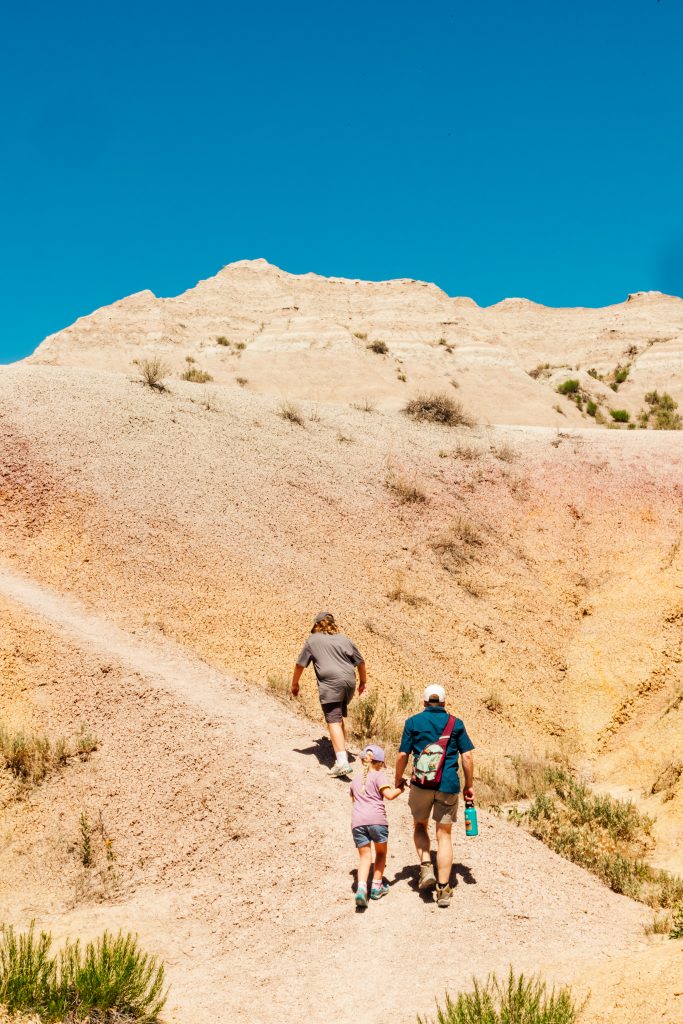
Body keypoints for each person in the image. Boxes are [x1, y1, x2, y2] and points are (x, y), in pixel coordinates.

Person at [394, 683, 474, 908]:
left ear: (424, 703)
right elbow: (467, 758)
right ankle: (443, 889)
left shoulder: (412, 722)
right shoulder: (456, 724)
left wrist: (398, 778)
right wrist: (469, 785)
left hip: (421, 785)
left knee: (420, 826)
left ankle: (426, 864)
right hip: (448, 785)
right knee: (444, 835)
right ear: (444, 703)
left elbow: (402, 754)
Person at [291, 611, 366, 778]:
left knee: (332, 720)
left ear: (317, 625)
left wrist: (295, 684)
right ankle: (341, 752)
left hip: (331, 683)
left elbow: (299, 665)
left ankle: (341, 762)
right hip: (349, 682)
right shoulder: (344, 639)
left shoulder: (313, 640)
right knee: (338, 717)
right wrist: (363, 683)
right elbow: (361, 662)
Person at [350, 743, 406, 908]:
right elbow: (388, 795)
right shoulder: (379, 775)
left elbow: (354, 801)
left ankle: (361, 888)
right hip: (377, 820)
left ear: (362, 761)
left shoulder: (355, 780)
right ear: (380, 763)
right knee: (380, 854)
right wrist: (401, 788)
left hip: (358, 822)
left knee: (365, 857)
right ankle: (376, 887)